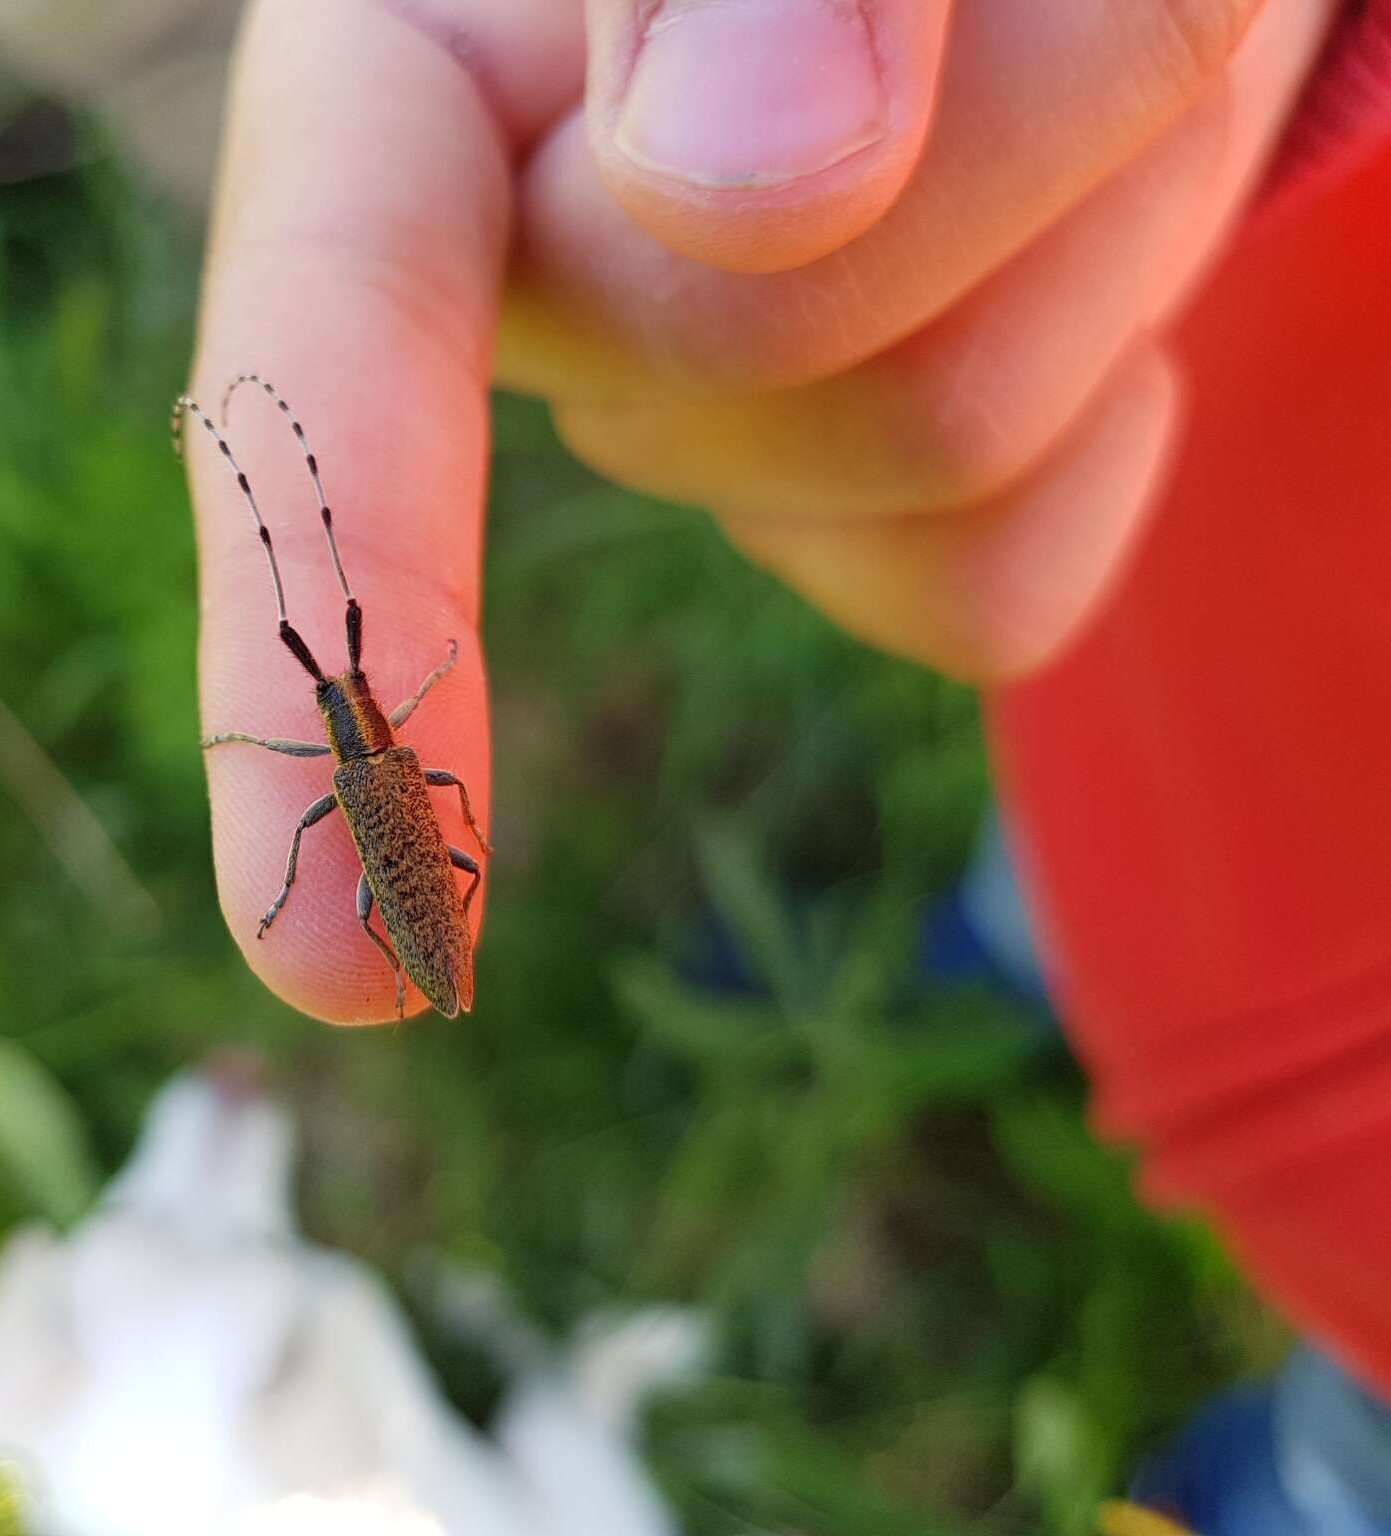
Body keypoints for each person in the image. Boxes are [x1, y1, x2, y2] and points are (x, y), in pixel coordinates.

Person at [180, 0, 1391, 1526]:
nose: (346, 689)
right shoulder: (378, 778)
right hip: (1171, 779)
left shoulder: (378, 768)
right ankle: (999, 954)